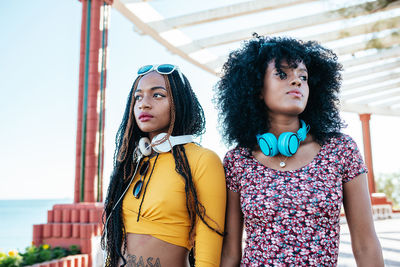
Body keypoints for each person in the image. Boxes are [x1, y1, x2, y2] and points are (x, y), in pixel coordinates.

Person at [215, 35, 384, 266]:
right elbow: (230, 252)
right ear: (257, 89)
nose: (296, 81)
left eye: (303, 77)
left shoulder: (341, 150)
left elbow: (366, 244)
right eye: (282, 74)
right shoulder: (238, 160)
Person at [102, 64, 226, 267]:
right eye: (138, 97)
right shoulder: (132, 163)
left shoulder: (202, 160)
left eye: (158, 95)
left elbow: (208, 245)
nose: (144, 104)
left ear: (179, 101)